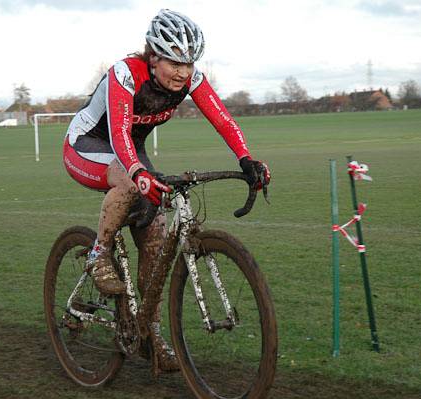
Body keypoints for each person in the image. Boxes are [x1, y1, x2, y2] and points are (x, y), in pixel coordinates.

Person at [62, 9, 270, 374]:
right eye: (175, 62)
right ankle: (98, 253)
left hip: (129, 151)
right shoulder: (125, 74)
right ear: (153, 57)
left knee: (156, 238)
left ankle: (149, 334)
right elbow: (118, 135)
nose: (183, 72)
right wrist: (138, 172)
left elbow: (223, 119)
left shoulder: (189, 79)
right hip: (89, 145)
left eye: (189, 64)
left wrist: (246, 159)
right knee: (129, 181)